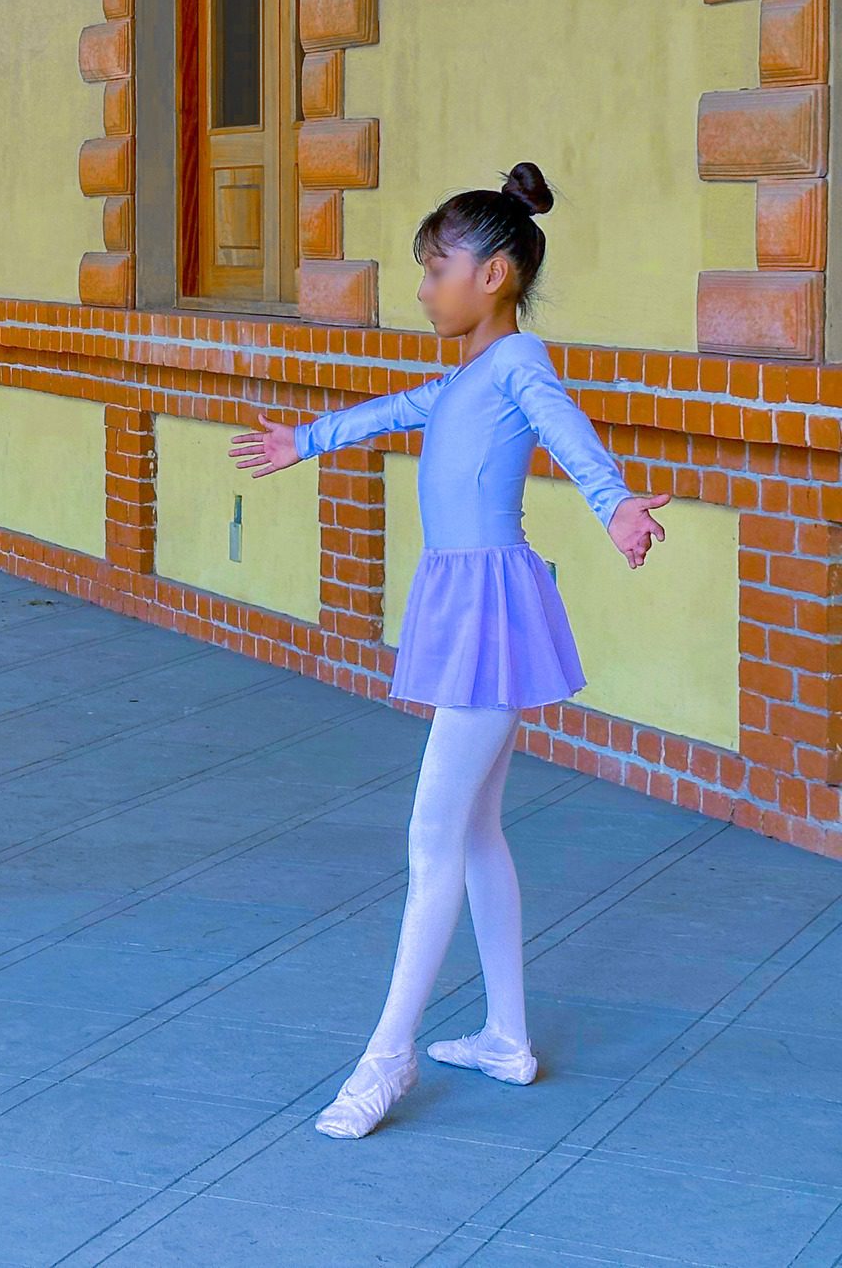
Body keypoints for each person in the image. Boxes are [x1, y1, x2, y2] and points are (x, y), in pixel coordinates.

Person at [232, 162, 669, 1139]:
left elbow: (570, 432)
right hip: (468, 605)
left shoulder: (517, 365)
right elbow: (392, 410)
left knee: (431, 837)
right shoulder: (465, 374)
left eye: (438, 267)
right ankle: (506, 1035)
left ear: (496, 275)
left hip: (489, 614)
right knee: (473, 833)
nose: (424, 285)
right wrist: (303, 438)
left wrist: (614, 505)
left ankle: (385, 1056)